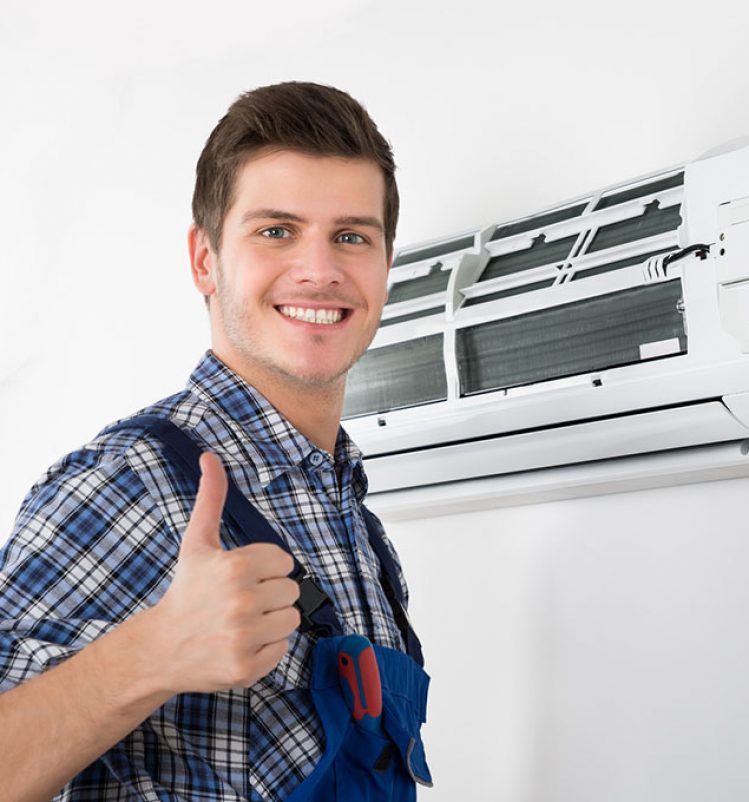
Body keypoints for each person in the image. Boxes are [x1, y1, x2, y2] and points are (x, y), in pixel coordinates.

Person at [0, 81, 431, 802]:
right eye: (276, 230)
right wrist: (147, 656)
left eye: (351, 236)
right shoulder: (128, 484)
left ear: (384, 266)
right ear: (204, 259)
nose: (320, 270)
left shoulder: (350, 510)